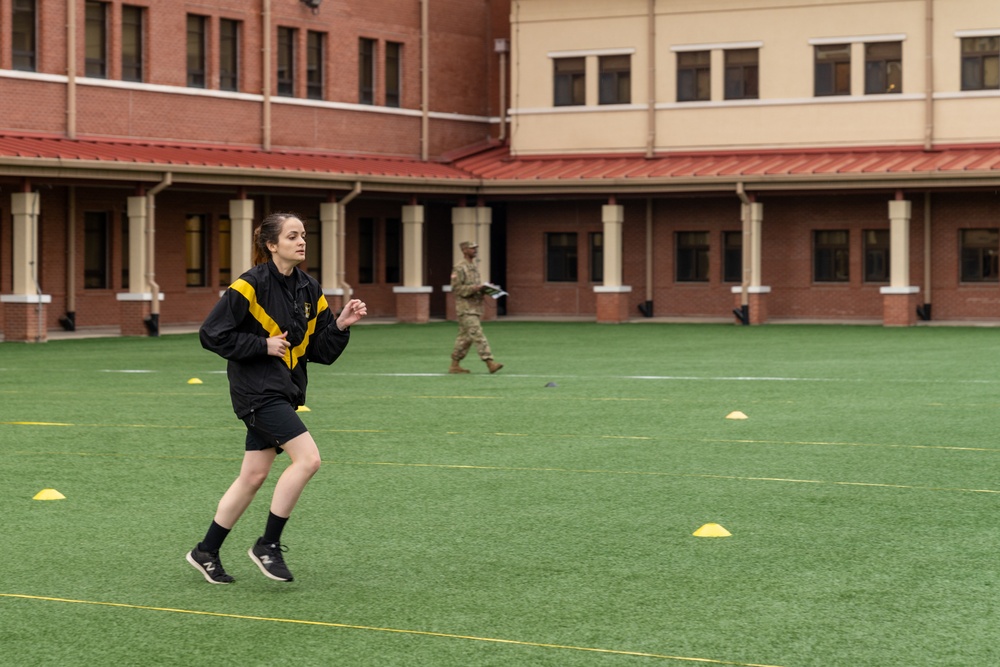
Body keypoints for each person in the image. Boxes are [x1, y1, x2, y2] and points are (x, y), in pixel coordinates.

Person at [186, 212, 367, 584]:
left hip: (284, 391)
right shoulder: (248, 286)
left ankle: (206, 550)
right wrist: (261, 344)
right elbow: (211, 334)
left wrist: (341, 325)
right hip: (257, 392)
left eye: (303, 235)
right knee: (309, 459)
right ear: (271, 245)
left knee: (253, 476)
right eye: (292, 236)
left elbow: (320, 351)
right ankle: (267, 544)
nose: (301, 242)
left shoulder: (308, 288)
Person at [449, 240, 502, 374]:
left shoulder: (473, 267)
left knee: (465, 338)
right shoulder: (459, 267)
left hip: (475, 308)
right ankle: (490, 363)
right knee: (477, 335)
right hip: (466, 308)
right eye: (472, 248)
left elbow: (474, 287)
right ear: (464, 250)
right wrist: (475, 288)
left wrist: (485, 289)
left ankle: (454, 365)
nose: (475, 250)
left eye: (475, 248)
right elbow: (456, 288)